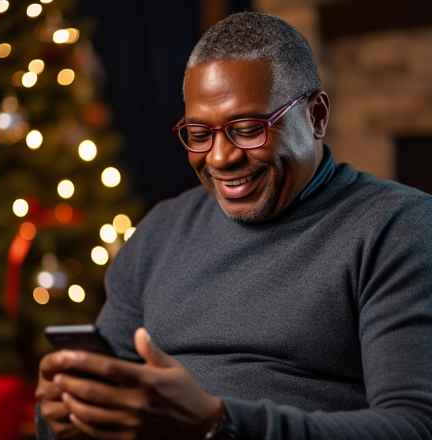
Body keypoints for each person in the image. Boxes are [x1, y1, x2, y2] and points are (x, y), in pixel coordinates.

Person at [35, 11, 432, 440]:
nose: (221, 157)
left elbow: (413, 426)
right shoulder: (161, 232)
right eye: (199, 133)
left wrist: (216, 423)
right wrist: (64, 415)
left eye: (247, 129)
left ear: (316, 116)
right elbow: (95, 398)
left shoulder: (398, 228)